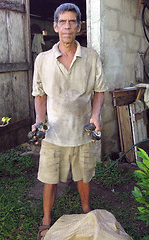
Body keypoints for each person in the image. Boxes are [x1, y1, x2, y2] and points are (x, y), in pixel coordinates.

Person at [31, 3, 108, 239]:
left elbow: (99, 91)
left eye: (72, 21)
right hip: (54, 132)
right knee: (49, 178)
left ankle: (86, 210)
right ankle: (46, 218)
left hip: (82, 131)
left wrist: (95, 116)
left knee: (84, 176)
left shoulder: (91, 57)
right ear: (55, 26)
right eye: (62, 22)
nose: (67, 26)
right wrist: (39, 121)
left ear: (79, 26)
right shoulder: (43, 60)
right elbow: (40, 94)